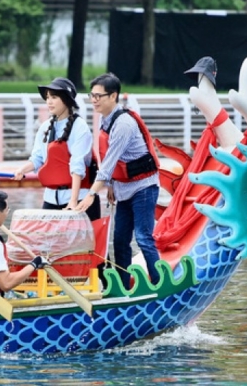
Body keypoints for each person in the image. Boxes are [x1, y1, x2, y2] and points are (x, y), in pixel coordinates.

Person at [76, 72, 161, 289]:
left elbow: (108, 163)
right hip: (123, 189)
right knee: (121, 240)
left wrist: (92, 194)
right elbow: (109, 161)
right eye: (91, 95)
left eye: (98, 96)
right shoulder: (105, 121)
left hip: (143, 187)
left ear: (113, 96)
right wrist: (112, 186)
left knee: (143, 237)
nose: (94, 100)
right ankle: (123, 288)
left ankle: (160, 284)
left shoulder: (123, 123)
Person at [13, 77, 100, 221]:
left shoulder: (80, 127)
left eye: (54, 97)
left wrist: (73, 202)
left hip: (78, 199)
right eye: (47, 97)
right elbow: (38, 158)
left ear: (66, 99)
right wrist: (22, 170)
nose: (49, 101)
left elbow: (77, 166)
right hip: (51, 200)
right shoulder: (45, 127)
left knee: (81, 244)